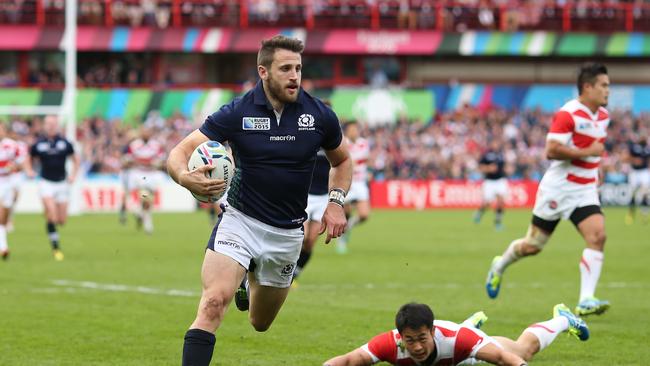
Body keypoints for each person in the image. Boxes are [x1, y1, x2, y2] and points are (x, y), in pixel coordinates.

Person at [166, 35, 352, 366]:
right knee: (212, 304)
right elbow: (180, 151)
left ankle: (249, 275)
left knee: (259, 322)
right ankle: (241, 266)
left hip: (287, 233)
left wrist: (335, 202)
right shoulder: (237, 112)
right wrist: (183, 176)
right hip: (240, 221)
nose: (294, 76)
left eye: (298, 68)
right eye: (285, 69)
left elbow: (342, 161)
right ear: (263, 72)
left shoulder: (320, 116)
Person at [485, 63, 611, 316]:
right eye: (604, 85)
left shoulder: (603, 116)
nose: (608, 91)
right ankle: (499, 266)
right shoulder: (568, 114)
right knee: (533, 245)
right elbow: (552, 150)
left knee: (597, 236)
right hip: (558, 190)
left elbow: (592, 151)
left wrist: (596, 169)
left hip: (584, 190)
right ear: (587, 87)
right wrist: (589, 153)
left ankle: (586, 299)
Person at [323, 302, 588, 366]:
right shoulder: (390, 345)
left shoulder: (457, 340)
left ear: (433, 331)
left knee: (522, 350)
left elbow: (504, 359)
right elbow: (348, 360)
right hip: (457, 341)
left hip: (462, 346)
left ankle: (562, 320)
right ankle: (470, 322)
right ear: (401, 336)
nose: (415, 347)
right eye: (410, 340)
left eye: (422, 338)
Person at [26, 115, 79, 261]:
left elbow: (75, 159)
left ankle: (50, 214)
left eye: (53, 123)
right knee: (52, 215)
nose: (51, 126)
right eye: (48, 123)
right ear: (44, 125)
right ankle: (56, 248)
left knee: (62, 220)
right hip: (46, 182)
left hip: (62, 183)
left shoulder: (65, 142)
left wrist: (74, 175)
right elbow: (28, 158)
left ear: (57, 125)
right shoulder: (39, 143)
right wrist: (29, 170)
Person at [292, 149, 330, 284]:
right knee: (302, 236)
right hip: (306, 195)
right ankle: (285, 271)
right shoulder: (310, 137)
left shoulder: (332, 140)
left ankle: (295, 274)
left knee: (310, 242)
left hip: (323, 197)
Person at [123, 126, 165, 234]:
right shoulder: (134, 145)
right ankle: (147, 223)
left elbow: (161, 160)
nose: (146, 133)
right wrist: (137, 162)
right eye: (144, 131)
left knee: (147, 200)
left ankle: (141, 216)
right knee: (143, 198)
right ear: (141, 133)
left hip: (151, 175)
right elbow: (127, 159)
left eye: (148, 131)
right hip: (138, 174)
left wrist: (156, 163)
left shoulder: (156, 145)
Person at [337, 121, 370, 254]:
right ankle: (342, 239)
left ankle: (348, 228)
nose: (354, 132)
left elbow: (363, 160)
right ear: (347, 131)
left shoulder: (364, 143)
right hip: (347, 182)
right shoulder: (342, 142)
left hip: (360, 182)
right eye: (352, 130)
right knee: (346, 213)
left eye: (356, 129)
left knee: (364, 215)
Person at [473, 138, 509, 230]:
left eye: (497, 143)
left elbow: (503, 166)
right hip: (489, 181)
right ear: (491, 144)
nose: (496, 145)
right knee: (487, 203)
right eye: (494, 143)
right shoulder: (486, 155)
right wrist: (488, 168)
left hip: (500, 180)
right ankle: (479, 213)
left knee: (501, 201)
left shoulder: (501, 154)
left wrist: (507, 170)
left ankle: (497, 223)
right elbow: (480, 167)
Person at [0, 123, 22, 260]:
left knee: (4, 218)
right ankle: (4, 248)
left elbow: (20, 164)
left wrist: (14, 167)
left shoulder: (12, 145)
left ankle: (3, 246)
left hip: (8, 182)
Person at [624, 134, 650, 225]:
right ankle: (631, 214)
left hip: (644, 172)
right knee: (633, 193)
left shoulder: (647, 148)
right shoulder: (634, 147)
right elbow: (626, 158)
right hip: (635, 172)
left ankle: (644, 214)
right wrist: (634, 160)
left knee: (645, 193)